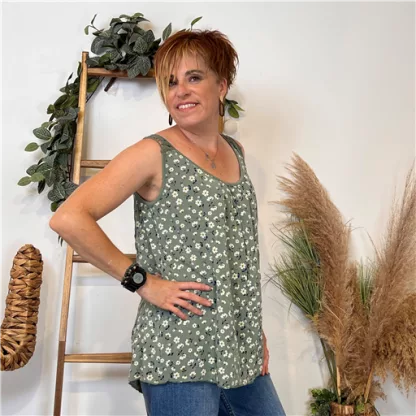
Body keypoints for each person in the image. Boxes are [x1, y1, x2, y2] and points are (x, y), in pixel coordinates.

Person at [50, 29, 286, 416]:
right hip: (179, 350)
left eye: (194, 77)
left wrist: (251, 329)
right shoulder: (152, 153)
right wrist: (142, 282)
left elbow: (236, 253)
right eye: (171, 82)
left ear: (221, 86)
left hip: (239, 350)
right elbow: (69, 218)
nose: (180, 92)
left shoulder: (237, 152)